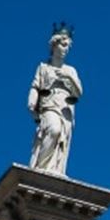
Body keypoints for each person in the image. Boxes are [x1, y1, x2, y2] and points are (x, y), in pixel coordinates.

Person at [29, 27, 82, 175]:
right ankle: (41, 167)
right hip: (49, 105)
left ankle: (54, 170)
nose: (66, 50)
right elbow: (35, 86)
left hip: (65, 109)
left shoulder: (71, 70)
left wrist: (69, 78)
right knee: (53, 129)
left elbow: (79, 92)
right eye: (63, 45)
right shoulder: (43, 67)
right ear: (54, 45)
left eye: (67, 47)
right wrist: (32, 102)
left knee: (61, 139)